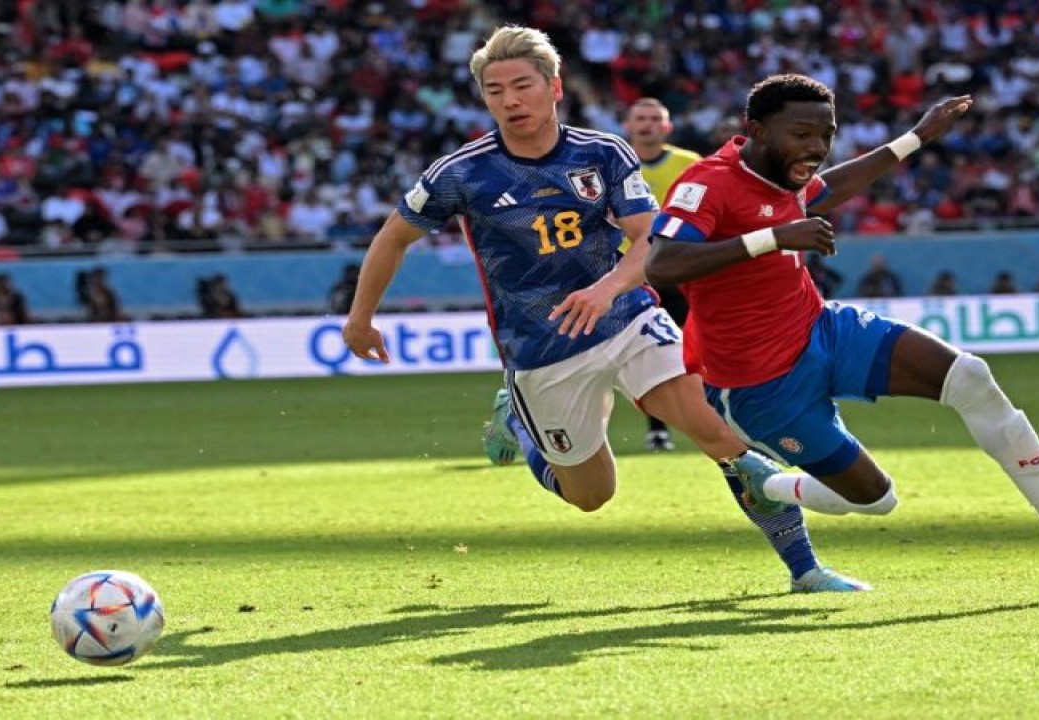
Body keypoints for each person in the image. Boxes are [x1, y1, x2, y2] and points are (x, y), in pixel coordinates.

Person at [341, 28, 861, 593]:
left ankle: (804, 568)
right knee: (591, 496)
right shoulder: (461, 172)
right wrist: (360, 317)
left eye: (521, 85)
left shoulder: (603, 153)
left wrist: (608, 288)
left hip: (628, 317)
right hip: (541, 348)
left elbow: (649, 241)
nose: (510, 100)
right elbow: (392, 237)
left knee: (720, 434)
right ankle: (520, 421)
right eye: (495, 91)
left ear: (554, 87)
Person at [646, 74, 1039, 586]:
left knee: (970, 376)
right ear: (755, 129)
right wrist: (772, 238)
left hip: (824, 329)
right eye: (802, 134)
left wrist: (916, 137)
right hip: (760, 381)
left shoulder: (788, 175)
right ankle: (770, 485)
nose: (817, 148)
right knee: (876, 499)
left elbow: (831, 187)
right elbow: (661, 264)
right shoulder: (707, 183)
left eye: (827, 134)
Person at [623, 97, 702, 453]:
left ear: (667, 127)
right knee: (643, 354)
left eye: (655, 118)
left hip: (679, 270)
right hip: (628, 275)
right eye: (640, 118)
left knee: (695, 350)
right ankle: (657, 429)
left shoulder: (690, 165)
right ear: (628, 125)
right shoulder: (613, 163)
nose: (647, 124)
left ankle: (718, 421)